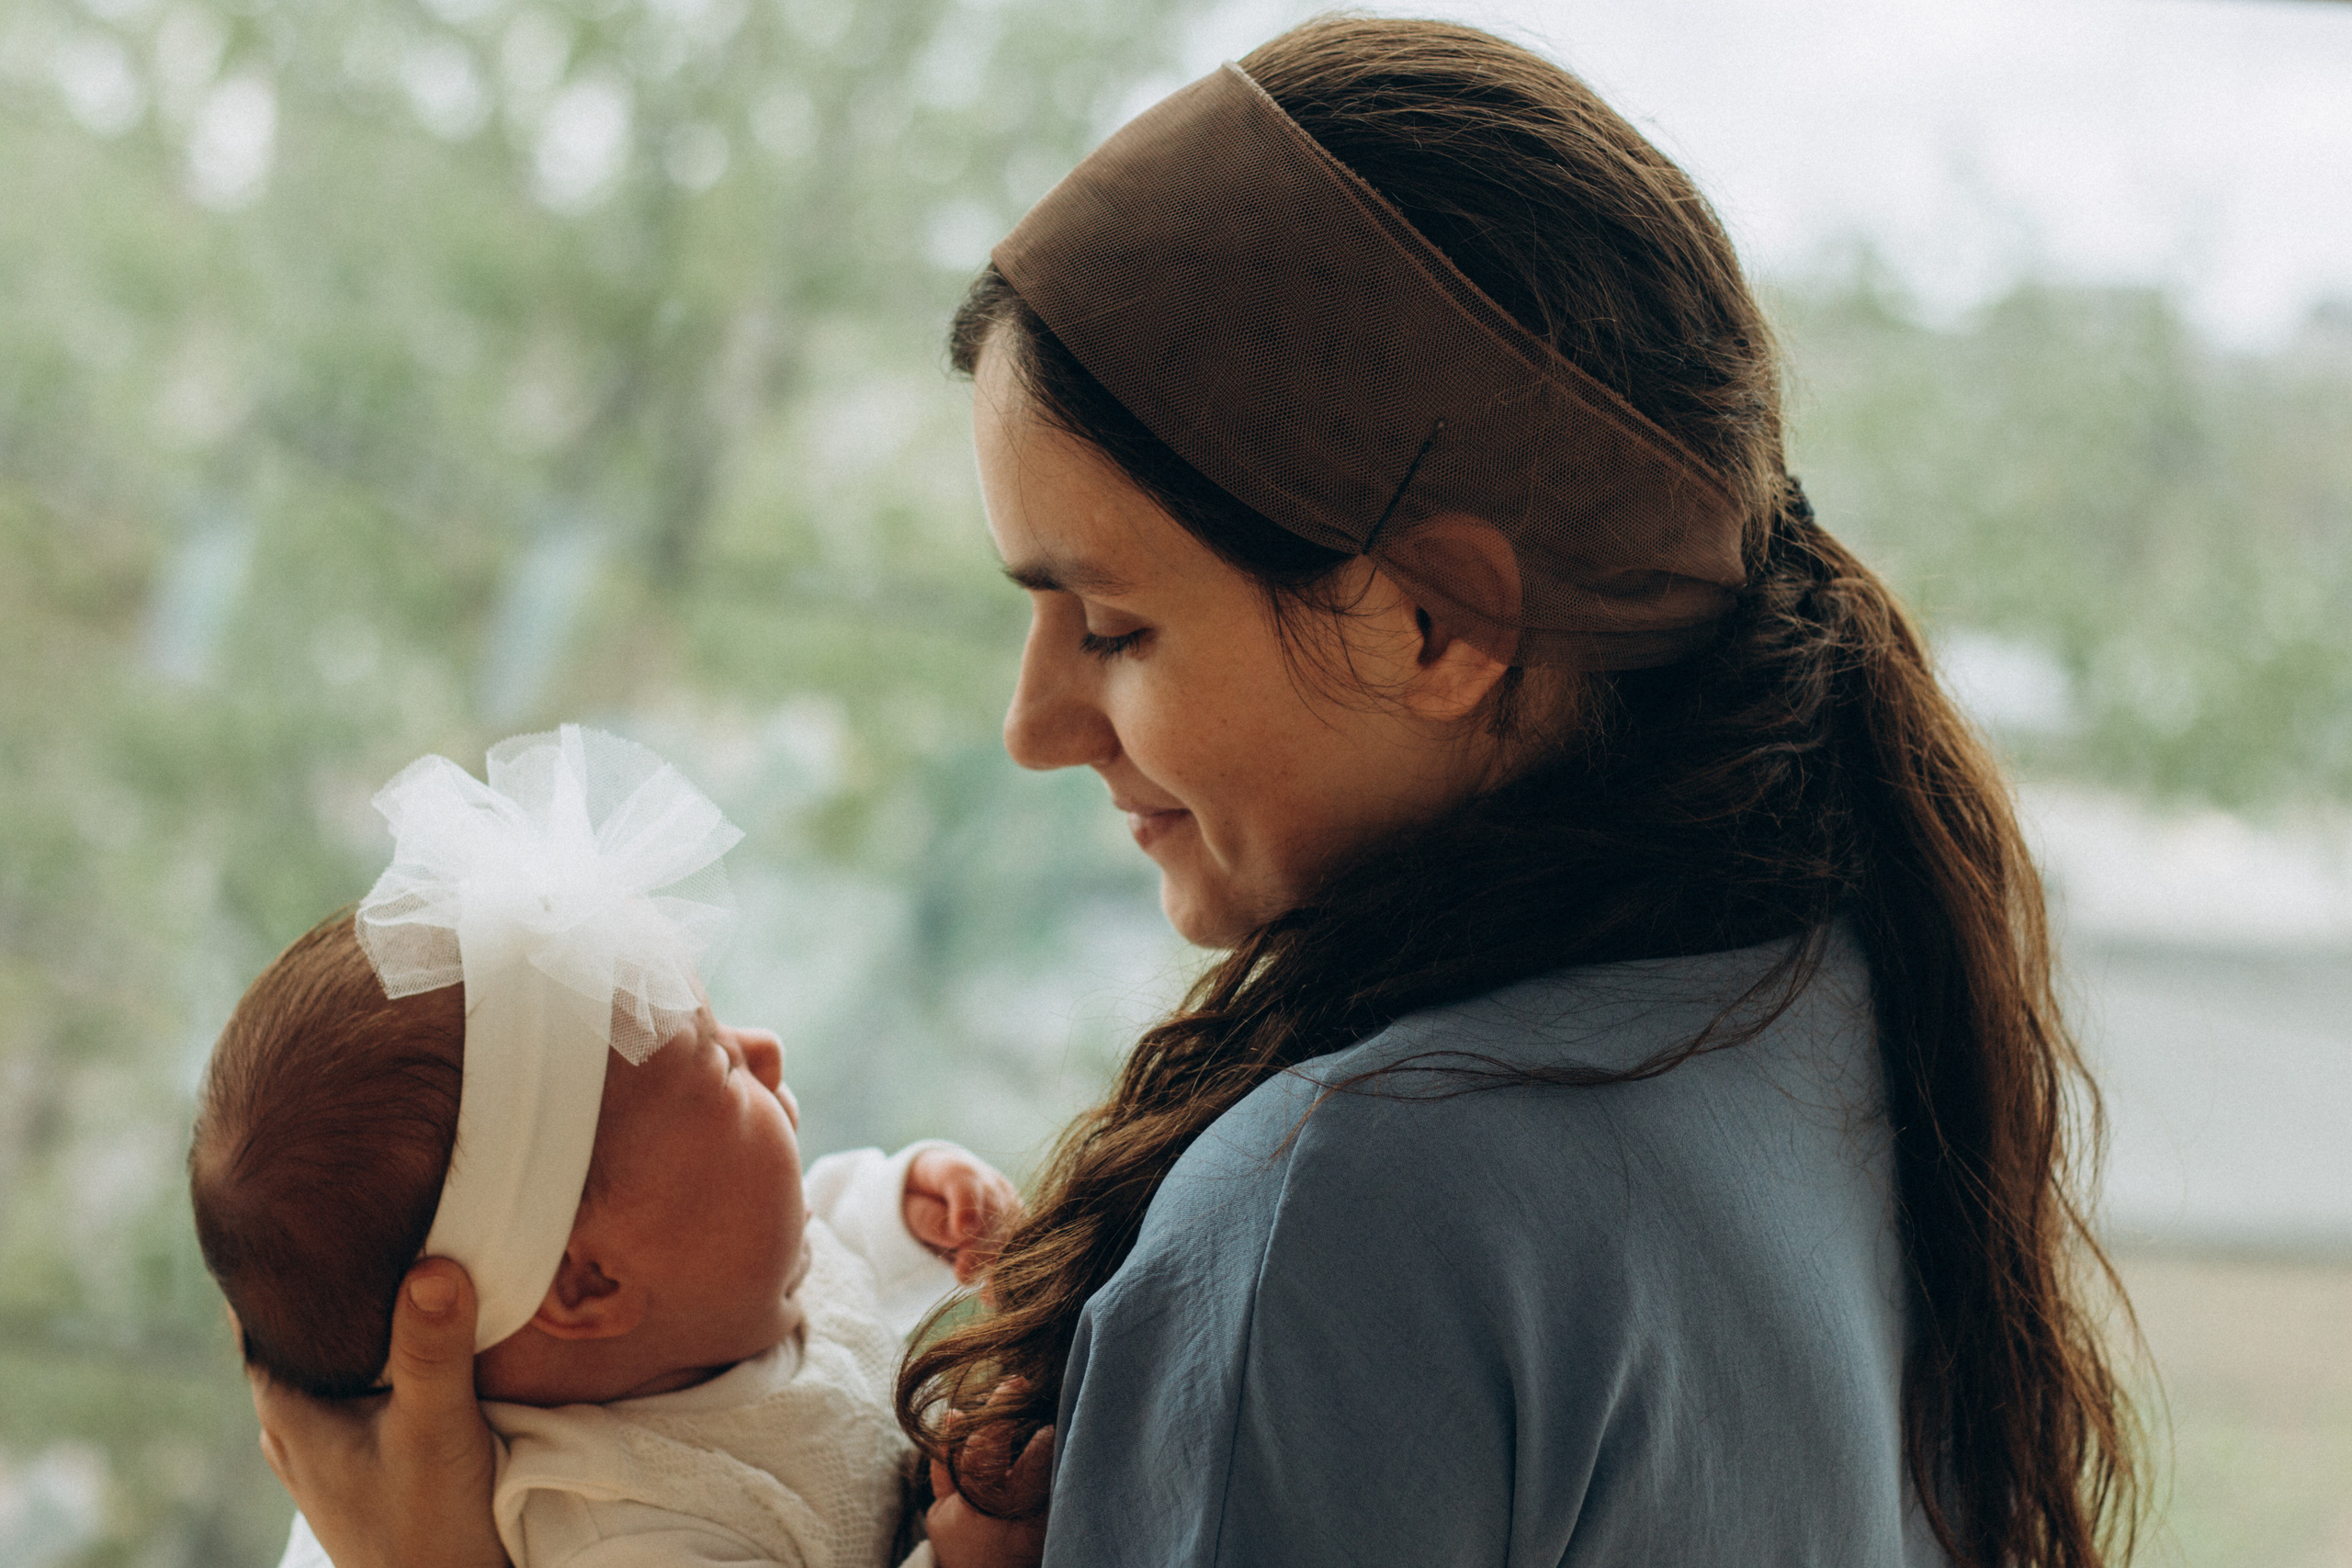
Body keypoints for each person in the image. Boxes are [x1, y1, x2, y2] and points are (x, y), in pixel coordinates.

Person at [246, 17, 2143, 1568]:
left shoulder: (1349, 1207)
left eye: (1112, 625)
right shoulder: (1813, 1000)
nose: (1033, 721)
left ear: (1433, 619)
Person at [193, 726, 1021, 1567]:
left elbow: (826, 1241)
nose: (765, 1048)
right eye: (723, 1069)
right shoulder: (626, 1524)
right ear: (590, 1283)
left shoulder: (718, 1290)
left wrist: (901, 1203)